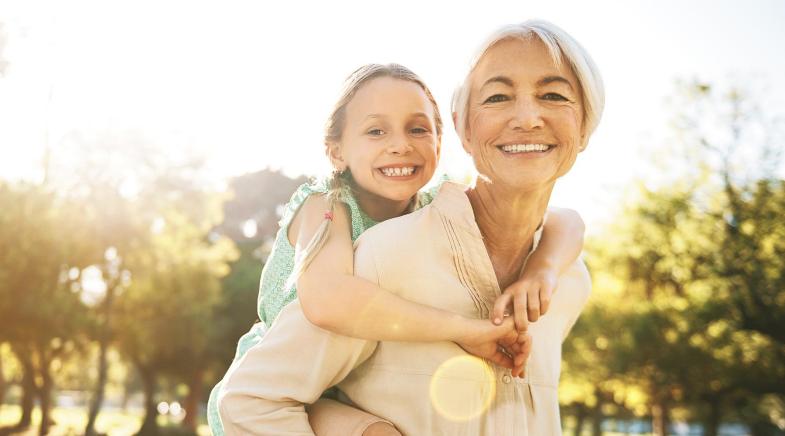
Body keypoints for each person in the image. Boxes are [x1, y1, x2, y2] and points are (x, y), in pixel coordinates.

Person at [213, 57, 591, 435]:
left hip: (344, 387)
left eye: (418, 129)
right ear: (336, 152)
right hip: (283, 387)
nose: (400, 145)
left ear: (440, 142)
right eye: (376, 131)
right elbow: (328, 302)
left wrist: (544, 268)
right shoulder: (326, 206)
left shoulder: (431, 211)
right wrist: (461, 328)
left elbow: (566, 220)